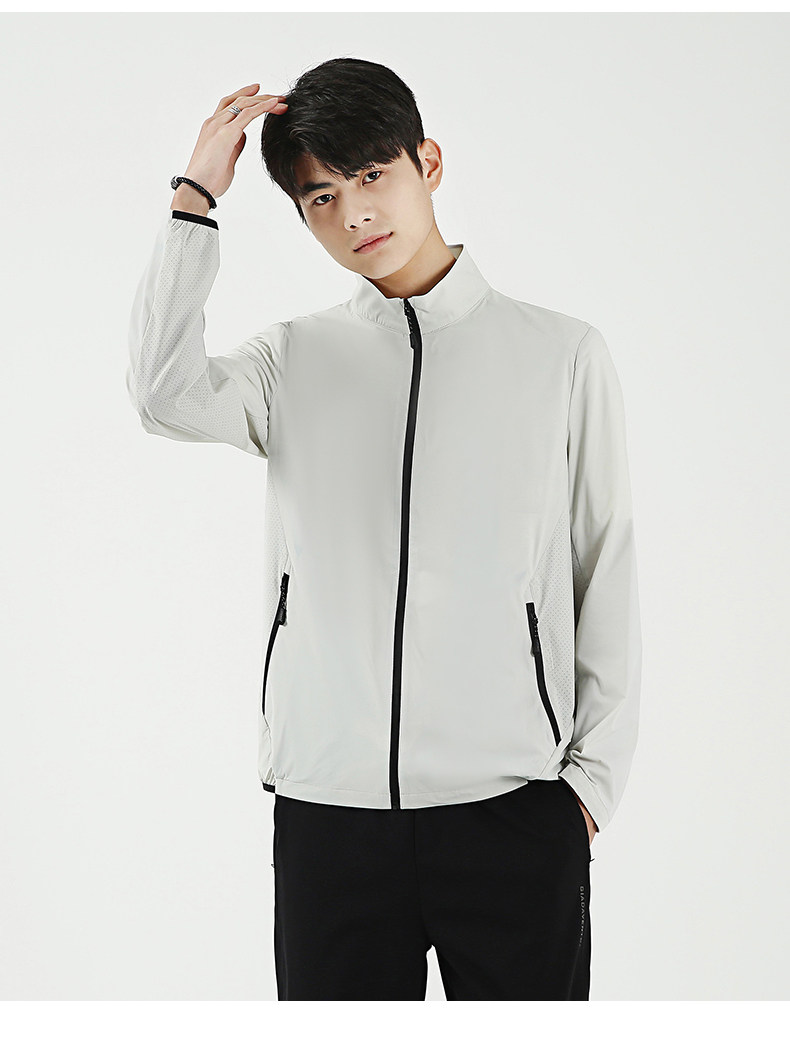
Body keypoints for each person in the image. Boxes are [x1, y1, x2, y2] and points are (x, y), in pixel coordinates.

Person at [126, 57, 642, 1001]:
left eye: (371, 175)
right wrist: (194, 197)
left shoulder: (561, 354)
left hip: (514, 810)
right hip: (330, 815)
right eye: (320, 196)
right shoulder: (291, 359)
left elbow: (602, 565)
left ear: (427, 163)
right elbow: (163, 394)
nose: (354, 214)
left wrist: (589, 792)